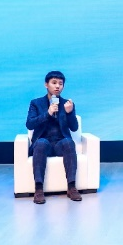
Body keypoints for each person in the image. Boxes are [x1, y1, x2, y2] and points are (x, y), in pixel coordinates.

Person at [25, 70, 82, 204]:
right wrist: (48, 113)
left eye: (60, 84)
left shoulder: (67, 104)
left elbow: (74, 128)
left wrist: (69, 113)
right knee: (41, 143)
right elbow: (29, 124)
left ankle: (71, 187)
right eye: (54, 83)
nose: (57, 86)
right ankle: (39, 189)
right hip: (43, 143)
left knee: (68, 142)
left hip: (60, 144)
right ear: (46, 84)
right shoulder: (36, 103)